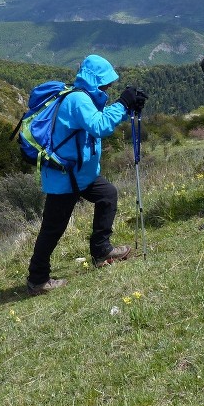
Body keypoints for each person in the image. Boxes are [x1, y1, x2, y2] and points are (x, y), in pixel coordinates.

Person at [27, 54, 147, 295]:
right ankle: (37, 280)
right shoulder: (78, 100)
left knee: (107, 195)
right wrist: (123, 104)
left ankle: (101, 251)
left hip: (80, 174)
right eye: (105, 84)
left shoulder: (85, 97)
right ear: (94, 81)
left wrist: (126, 109)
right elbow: (99, 127)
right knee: (53, 228)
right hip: (65, 178)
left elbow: (98, 121)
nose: (109, 88)